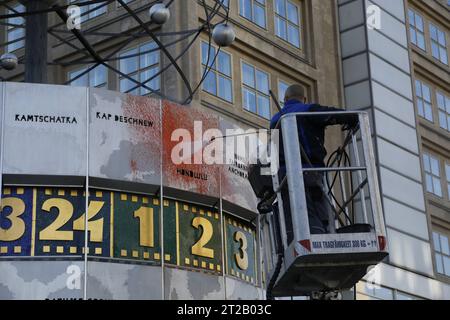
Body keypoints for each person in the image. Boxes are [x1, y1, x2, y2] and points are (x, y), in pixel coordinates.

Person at [270, 84, 358, 238]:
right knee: (319, 218)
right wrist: (351, 118)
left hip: (285, 177)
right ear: (304, 99)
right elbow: (332, 114)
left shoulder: (275, 120)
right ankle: (324, 237)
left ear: (285, 99)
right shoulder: (307, 109)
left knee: (294, 218)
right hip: (310, 174)